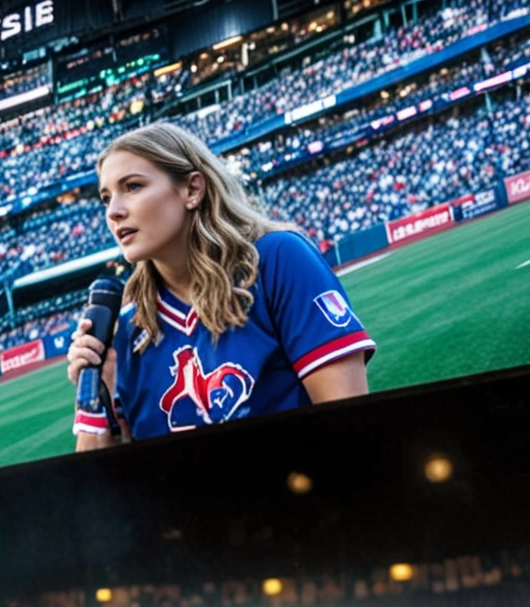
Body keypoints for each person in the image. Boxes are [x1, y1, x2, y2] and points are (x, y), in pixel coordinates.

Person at [66, 123, 376, 451]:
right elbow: (103, 486)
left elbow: (349, 427)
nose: (113, 211)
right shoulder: (128, 332)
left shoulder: (277, 260)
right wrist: (96, 390)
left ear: (192, 190)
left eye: (132, 186)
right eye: (105, 198)